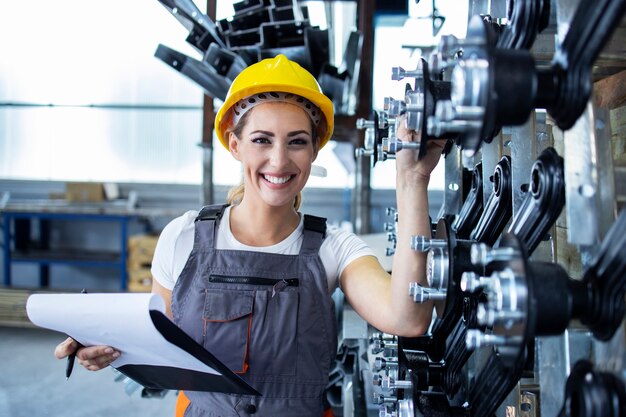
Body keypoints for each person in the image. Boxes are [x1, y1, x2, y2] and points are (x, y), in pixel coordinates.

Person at [55, 54, 444, 417]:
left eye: (297, 141)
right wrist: (105, 347)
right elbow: (162, 349)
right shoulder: (183, 238)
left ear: (313, 151)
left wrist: (412, 180)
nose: (279, 160)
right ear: (235, 144)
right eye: (262, 140)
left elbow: (407, 318)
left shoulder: (334, 248)